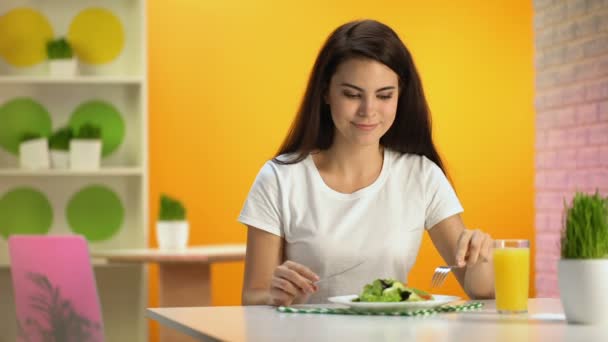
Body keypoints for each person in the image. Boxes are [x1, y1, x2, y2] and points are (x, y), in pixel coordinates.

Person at [238, 19, 494, 306]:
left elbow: (479, 290)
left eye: (384, 95)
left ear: (401, 94)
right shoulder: (280, 178)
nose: (368, 111)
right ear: (325, 92)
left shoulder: (420, 175)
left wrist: (480, 256)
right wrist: (275, 294)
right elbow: (253, 296)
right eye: (351, 94)